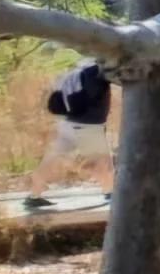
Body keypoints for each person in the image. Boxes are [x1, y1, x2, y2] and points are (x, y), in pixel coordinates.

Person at [22, 59, 113, 210]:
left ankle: (34, 195)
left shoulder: (74, 72)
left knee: (51, 158)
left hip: (67, 124)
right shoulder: (97, 72)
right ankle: (111, 193)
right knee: (102, 163)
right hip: (88, 127)